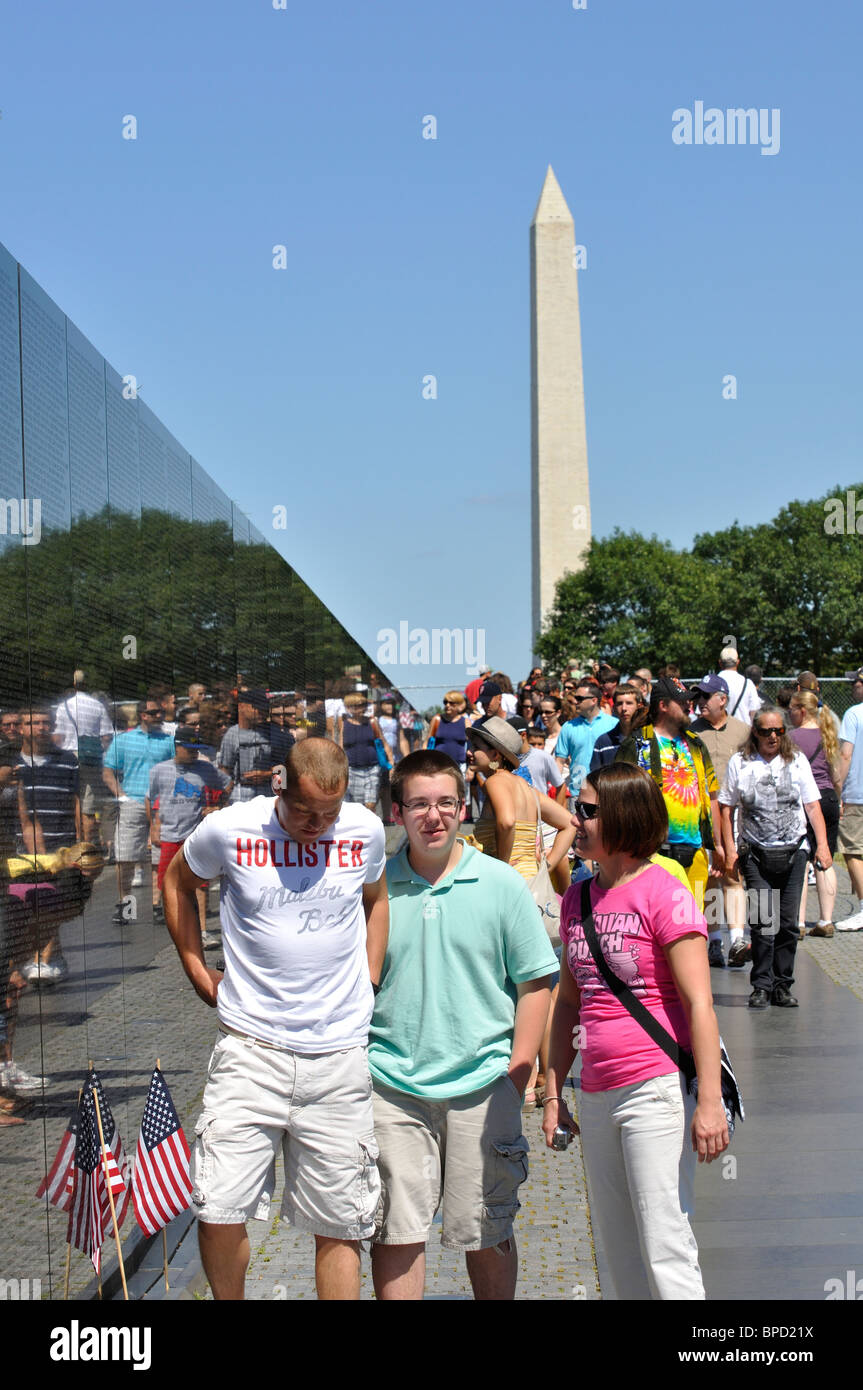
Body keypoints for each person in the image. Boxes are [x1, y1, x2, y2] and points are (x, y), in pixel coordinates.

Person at [162, 738, 389, 1300]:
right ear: (279, 784)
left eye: (329, 815)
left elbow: (377, 898)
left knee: (339, 1222)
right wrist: (195, 967)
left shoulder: (364, 829)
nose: (317, 825)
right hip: (250, 1050)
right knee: (218, 1204)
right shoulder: (230, 828)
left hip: (338, 1054)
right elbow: (176, 881)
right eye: (305, 811)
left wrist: (372, 976)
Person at [368, 750, 557, 1300]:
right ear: (397, 811)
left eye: (446, 803)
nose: (434, 816)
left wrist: (517, 1077)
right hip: (392, 1087)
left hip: (483, 1085)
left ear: (464, 808)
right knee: (395, 1232)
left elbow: (536, 985)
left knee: (486, 1231)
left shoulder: (501, 885)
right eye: (420, 804)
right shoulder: (372, 889)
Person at [542, 763, 727, 1300]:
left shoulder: (663, 893)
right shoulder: (576, 899)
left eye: (588, 811)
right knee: (617, 1246)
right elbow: (569, 1002)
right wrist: (554, 1092)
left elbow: (700, 1004)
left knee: (663, 1238)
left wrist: (709, 1102)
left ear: (623, 817)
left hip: (656, 1087)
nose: (576, 820)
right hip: (597, 1092)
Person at [719, 712, 832, 1008]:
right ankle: (761, 986)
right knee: (762, 923)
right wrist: (729, 849)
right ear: (755, 732)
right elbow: (726, 807)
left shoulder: (796, 761)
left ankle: (782, 985)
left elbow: (812, 804)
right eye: (766, 730)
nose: (773, 736)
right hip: (756, 854)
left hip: (794, 852)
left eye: (779, 730)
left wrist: (823, 845)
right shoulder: (740, 763)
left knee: (787, 924)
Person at [615, 677, 726, 964]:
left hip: (695, 854)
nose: (691, 705)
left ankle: (692, 994)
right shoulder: (637, 744)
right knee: (654, 927)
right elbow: (618, 797)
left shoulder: (695, 745)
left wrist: (718, 846)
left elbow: (711, 796)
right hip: (651, 853)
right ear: (663, 705)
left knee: (692, 926)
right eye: (683, 701)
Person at [467, 717, 574, 889]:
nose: (469, 752)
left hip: (509, 886)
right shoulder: (525, 786)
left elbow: (507, 822)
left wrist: (502, 870)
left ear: (495, 755)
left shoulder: (495, 782)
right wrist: (547, 867)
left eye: (476, 748)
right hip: (532, 881)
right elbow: (569, 823)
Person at [689, 674, 750, 967]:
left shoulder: (742, 732)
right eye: (698, 697)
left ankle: (737, 939)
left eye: (706, 696)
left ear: (722, 699)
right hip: (700, 816)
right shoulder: (690, 733)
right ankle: (714, 941)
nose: (700, 702)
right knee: (708, 879)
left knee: (731, 873)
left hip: (733, 815)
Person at [146, 726, 231, 936]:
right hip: (169, 834)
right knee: (168, 882)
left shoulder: (206, 768)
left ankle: (201, 929)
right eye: (190, 749)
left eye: (196, 749)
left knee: (200, 883)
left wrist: (218, 807)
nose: (194, 753)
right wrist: (153, 825)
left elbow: (228, 785)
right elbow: (149, 798)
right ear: (178, 747)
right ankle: (176, 927)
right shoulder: (160, 770)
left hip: (195, 835)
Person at [103, 698, 175, 925]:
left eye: (161, 712)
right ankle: (126, 906)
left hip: (159, 804)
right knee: (125, 857)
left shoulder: (168, 741)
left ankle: (157, 906)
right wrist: (122, 796)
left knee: (158, 857)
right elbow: (109, 771)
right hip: (133, 800)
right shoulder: (124, 740)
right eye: (154, 712)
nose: (159, 716)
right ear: (143, 715)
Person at [788, 691, 841, 938]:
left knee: (802, 860)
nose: (788, 713)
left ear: (801, 710)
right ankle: (826, 920)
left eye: (791, 709)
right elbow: (836, 774)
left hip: (805, 801)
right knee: (826, 857)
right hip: (828, 797)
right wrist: (838, 799)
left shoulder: (791, 738)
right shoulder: (828, 734)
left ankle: (798, 922)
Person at [554, 679, 617, 805]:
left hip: (607, 792)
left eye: (579, 698)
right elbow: (559, 761)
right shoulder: (568, 727)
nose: (575, 701)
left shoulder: (613, 724)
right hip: (578, 793)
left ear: (594, 700)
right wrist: (554, 788)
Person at [835, 668, 863, 932]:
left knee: (853, 850)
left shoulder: (854, 714)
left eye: (856, 682)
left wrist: (838, 789)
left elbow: (845, 755)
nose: (853, 686)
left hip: (857, 793)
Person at [337, 692, 393, 813]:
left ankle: (370, 829)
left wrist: (391, 764)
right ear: (349, 707)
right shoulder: (344, 724)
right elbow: (340, 748)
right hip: (352, 769)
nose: (361, 708)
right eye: (356, 705)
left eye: (363, 704)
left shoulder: (372, 722)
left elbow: (384, 743)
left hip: (372, 768)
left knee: (370, 804)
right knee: (357, 805)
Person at [590, 683, 643, 769]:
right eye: (619, 704)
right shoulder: (603, 742)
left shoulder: (648, 738)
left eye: (629, 703)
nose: (624, 708)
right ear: (614, 708)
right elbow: (596, 778)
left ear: (639, 706)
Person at [424, 691, 470, 774]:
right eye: (445, 702)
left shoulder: (465, 722)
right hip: (438, 765)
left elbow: (471, 744)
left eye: (452, 703)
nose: (447, 705)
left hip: (459, 766)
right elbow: (427, 741)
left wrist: (470, 768)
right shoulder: (437, 719)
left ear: (459, 705)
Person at [717, 647, 762, 726]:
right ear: (737, 662)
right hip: (743, 732)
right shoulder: (748, 684)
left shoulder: (712, 683)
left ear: (720, 662)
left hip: (717, 732)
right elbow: (754, 713)